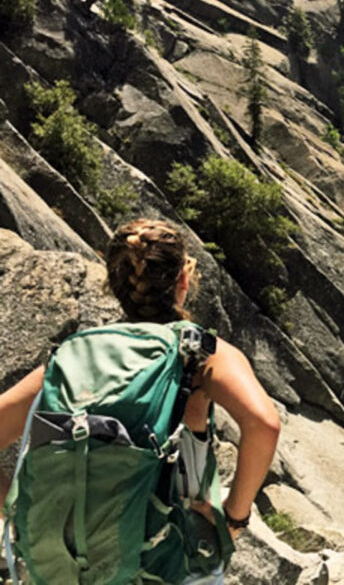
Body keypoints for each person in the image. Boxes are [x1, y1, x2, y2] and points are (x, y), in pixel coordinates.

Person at [0, 218, 281, 584]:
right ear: (183, 281)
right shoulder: (200, 353)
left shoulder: (73, 356)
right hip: (167, 562)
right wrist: (234, 518)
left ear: (114, 284)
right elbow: (264, 424)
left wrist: (21, 508)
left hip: (69, 566)